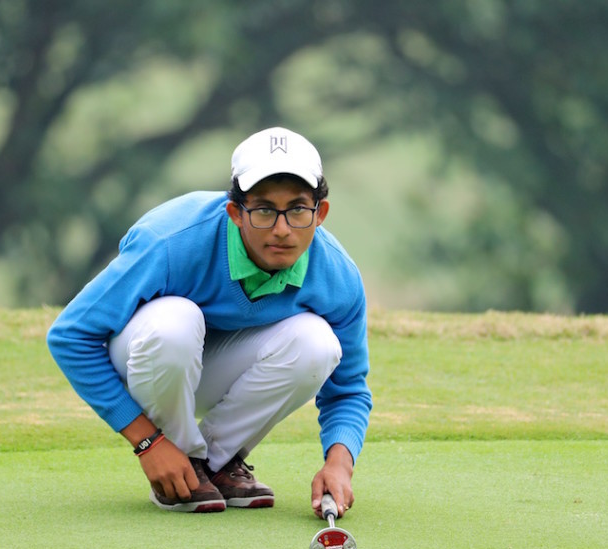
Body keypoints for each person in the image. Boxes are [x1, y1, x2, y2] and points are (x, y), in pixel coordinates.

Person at [47, 126, 372, 517]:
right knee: (175, 321)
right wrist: (148, 442)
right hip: (146, 357)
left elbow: (348, 389)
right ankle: (177, 458)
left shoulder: (338, 276)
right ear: (235, 212)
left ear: (320, 213)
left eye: (298, 209)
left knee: (318, 344)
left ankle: (213, 465)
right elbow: (70, 337)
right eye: (265, 210)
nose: (282, 229)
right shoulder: (170, 240)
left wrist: (339, 463)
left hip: (211, 370)